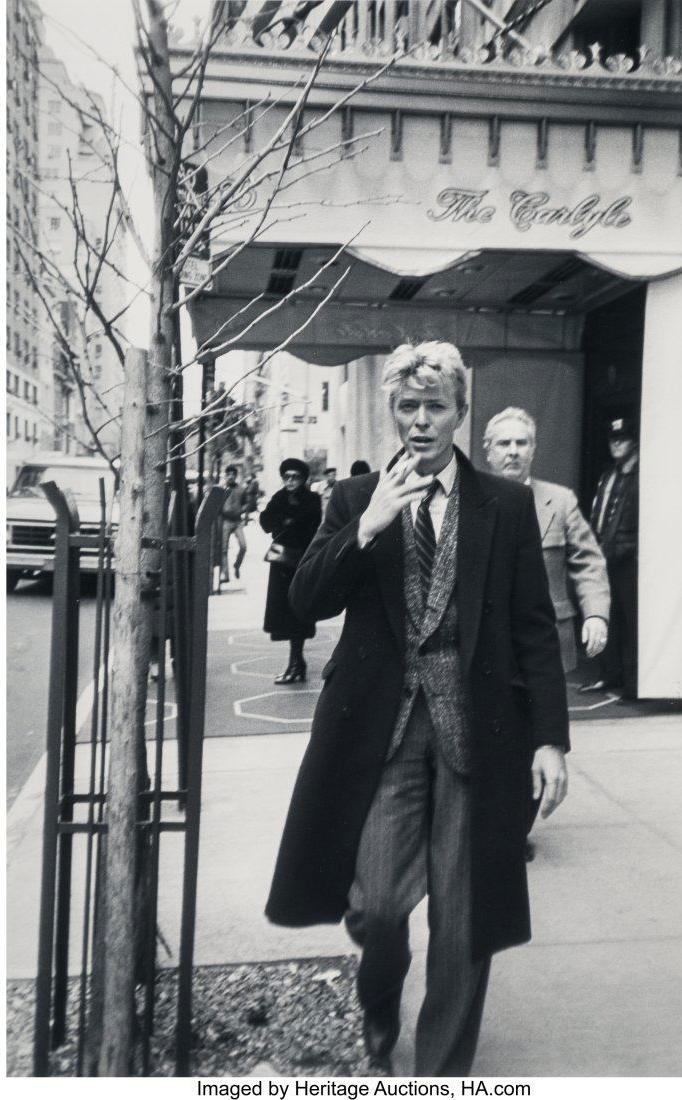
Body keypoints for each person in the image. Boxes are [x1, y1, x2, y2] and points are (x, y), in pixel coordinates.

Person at [265, 341, 569, 1077]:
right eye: (408, 407)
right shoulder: (352, 498)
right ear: (393, 413)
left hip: (480, 735)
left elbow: (533, 624)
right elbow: (306, 601)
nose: (421, 421)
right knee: (375, 906)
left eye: (436, 407)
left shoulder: (505, 504)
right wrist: (366, 525)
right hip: (382, 734)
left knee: (465, 921)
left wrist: (551, 740)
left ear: (462, 412)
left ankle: (441, 1073)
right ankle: (378, 1006)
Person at [483, 407, 610, 674]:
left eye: (522, 443)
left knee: (547, 715)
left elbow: (589, 563)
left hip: (547, 639)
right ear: (489, 451)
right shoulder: (469, 501)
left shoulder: (560, 501)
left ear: (533, 449)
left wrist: (596, 614)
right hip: (488, 640)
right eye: (504, 443)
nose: (513, 451)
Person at [581, 416, 639, 701]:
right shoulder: (609, 475)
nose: (617, 443)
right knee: (609, 616)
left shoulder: (642, 476)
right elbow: (599, 515)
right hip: (606, 557)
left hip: (629, 560)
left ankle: (633, 685)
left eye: (623, 438)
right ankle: (610, 674)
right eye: (613, 439)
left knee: (630, 620)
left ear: (634, 441)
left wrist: (627, 547)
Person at [259, 458, 321, 684]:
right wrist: (285, 521)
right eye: (286, 476)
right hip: (281, 566)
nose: (290, 481)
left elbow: (311, 527)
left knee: (299, 613)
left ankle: (296, 663)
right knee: (285, 614)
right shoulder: (279, 498)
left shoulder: (311, 499)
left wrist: (286, 522)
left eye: (295, 477)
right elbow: (265, 521)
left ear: (303, 479)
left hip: (302, 564)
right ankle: (296, 663)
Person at [220, 465, 247, 583]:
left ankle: (237, 565)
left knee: (243, 546)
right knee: (224, 549)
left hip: (237, 521)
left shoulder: (241, 489)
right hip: (225, 521)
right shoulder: (221, 489)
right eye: (229, 474)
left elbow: (246, 503)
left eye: (233, 474)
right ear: (226, 475)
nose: (231, 476)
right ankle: (226, 575)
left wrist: (241, 510)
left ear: (236, 476)